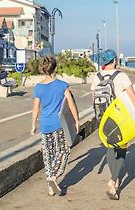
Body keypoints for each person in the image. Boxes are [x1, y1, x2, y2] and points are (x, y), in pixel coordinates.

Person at [91, 49, 135, 200]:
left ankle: (115, 179)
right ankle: (113, 180)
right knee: (122, 148)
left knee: (110, 147)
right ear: (114, 61)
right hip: (118, 118)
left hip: (103, 118)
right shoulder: (121, 76)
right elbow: (134, 98)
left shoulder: (96, 77)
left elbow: (94, 99)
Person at [31, 56, 79, 196]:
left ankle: (50, 185)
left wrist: (33, 125)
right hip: (59, 125)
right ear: (55, 68)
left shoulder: (38, 87)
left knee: (48, 155)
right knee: (63, 151)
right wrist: (76, 121)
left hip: (45, 125)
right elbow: (71, 104)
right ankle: (54, 177)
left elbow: (35, 109)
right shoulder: (62, 85)